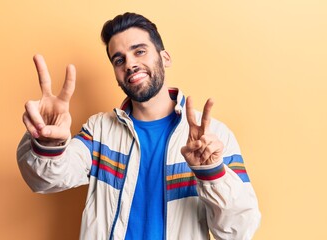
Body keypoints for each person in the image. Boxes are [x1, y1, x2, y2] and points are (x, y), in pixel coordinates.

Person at [17, 12, 261, 240]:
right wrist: (48, 143)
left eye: (140, 51)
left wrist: (212, 173)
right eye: (119, 59)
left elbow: (239, 230)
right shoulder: (99, 131)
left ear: (164, 58)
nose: (130, 64)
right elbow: (45, 180)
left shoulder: (213, 136)